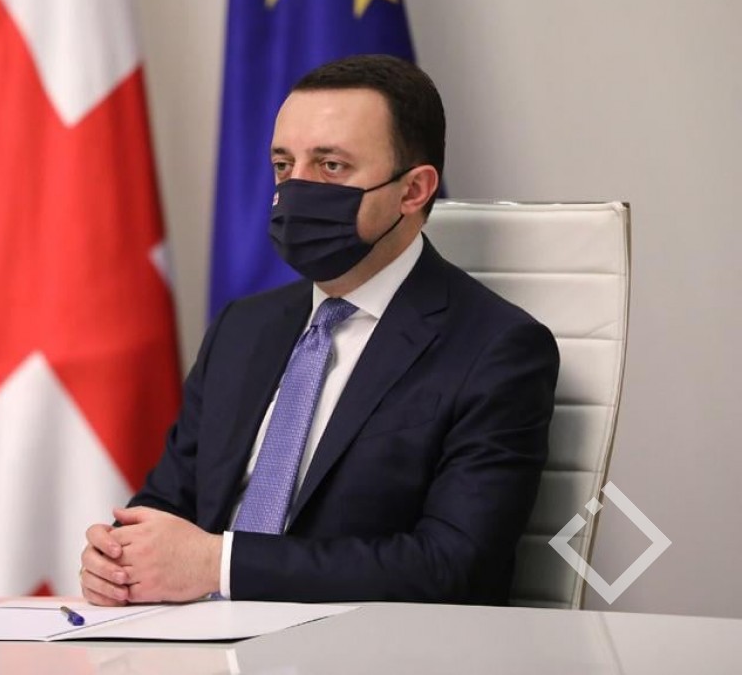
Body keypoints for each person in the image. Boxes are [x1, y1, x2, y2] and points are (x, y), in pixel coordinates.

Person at [79, 54, 560, 606]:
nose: (296, 190)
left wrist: (220, 565)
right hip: (194, 638)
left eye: (331, 166)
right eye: (284, 165)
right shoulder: (243, 328)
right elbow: (170, 502)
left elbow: (454, 565)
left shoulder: (496, 349)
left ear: (413, 190)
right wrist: (119, 557)